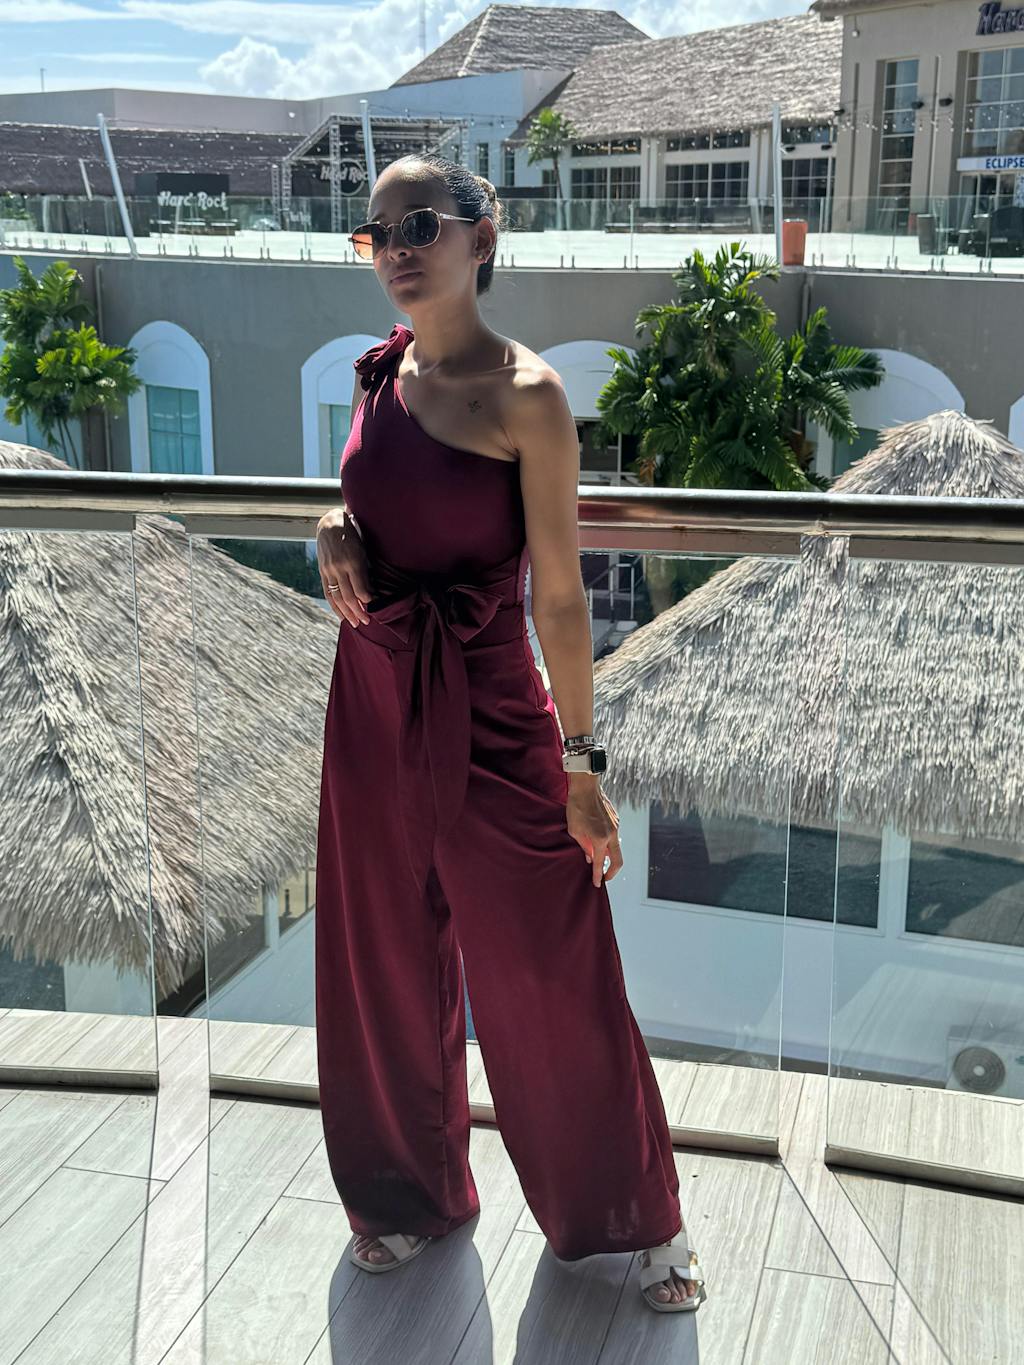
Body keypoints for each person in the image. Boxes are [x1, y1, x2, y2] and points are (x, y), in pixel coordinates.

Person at [313, 151, 707, 1314]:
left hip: (490, 713)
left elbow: (561, 598)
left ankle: (631, 1222)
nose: (395, 250)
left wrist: (581, 767)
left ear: (483, 237)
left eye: (419, 225)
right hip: (372, 700)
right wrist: (329, 518)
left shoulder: (527, 394)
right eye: (376, 232)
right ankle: (407, 1195)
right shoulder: (376, 373)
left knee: (548, 966)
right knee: (382, 961)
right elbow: (373, 502)